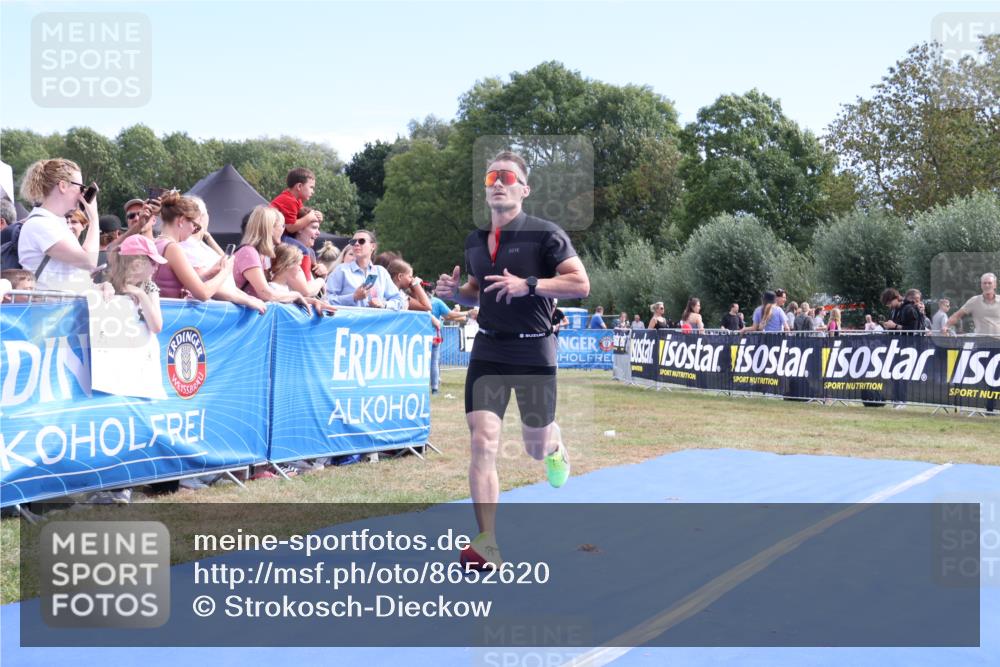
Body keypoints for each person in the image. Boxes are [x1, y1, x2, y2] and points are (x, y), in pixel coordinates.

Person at [434, 150, 589, 570]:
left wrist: (530, 284)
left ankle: (554, 444)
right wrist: (455, 293)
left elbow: (580, 284)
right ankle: (487, 542)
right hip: (489, 348)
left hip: (533, 348)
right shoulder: (475, 240)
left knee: (535, 447)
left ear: (525, 189)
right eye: (491, 178)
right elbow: (476, 291)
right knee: (482, 441)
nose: (498, 183)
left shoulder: (545, 234)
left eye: (506, 177)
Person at [16, 158, 102, 291]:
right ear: (63, 186)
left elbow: (70, 274)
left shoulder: (55, 223)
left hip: (60, 302)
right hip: (49, 303)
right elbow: (89, 261)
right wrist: (94, 218)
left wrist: (98, 287)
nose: (83, 193)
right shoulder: (41, 224)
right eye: (80, 187)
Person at [233, 205, 314, 307]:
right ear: (270, 228)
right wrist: (296, 295)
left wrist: (309, 301)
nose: (283, 230)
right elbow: (266, 294)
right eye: (282, 226)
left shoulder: (257, 254)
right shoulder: (249, 252)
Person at [325, 230, 407, 310]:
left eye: (361, 241)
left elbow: (399, 300)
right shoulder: (341, 270)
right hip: (350, 319)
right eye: (353, 242)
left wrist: (384, 304)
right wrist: (353, 297)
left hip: (376, 319)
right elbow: (327, 300)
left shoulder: (381, 272)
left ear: (373, 246)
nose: (356, 244)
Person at [109, 234, 165, 334]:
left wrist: (140, 294)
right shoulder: (109, 284)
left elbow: (156, 327)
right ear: (137, 265)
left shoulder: (149, 287)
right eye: (153, 263)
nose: (157, 267)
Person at [270, 167, 323, 234]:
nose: (313, 192)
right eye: (311, 187)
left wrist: (316, 217)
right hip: (272, 234)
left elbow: (301, 218)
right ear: (299, 186)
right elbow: (291, 228)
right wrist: (310, 217)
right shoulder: (288, 200)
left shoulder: (296, 199)